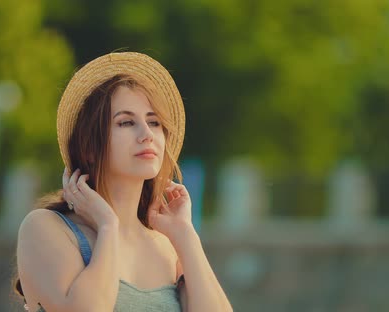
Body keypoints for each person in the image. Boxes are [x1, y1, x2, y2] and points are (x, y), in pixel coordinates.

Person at [13, 52, 233, 312]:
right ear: (89, 148)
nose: (147, 134)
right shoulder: (47, 228)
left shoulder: (167, 247)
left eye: (154, 122)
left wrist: (185, 235)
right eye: (126, 122)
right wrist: (107, 226)